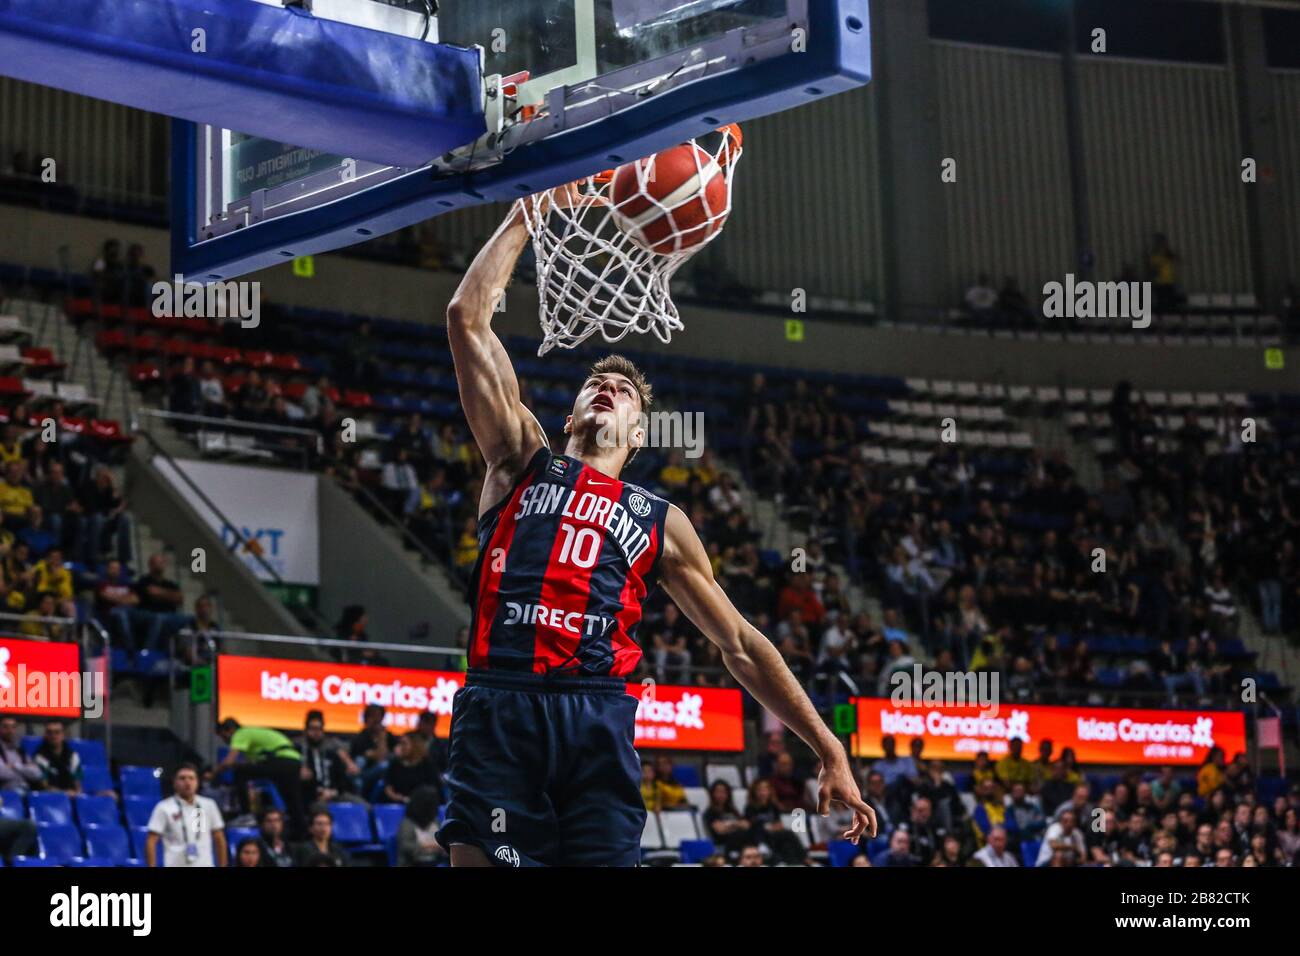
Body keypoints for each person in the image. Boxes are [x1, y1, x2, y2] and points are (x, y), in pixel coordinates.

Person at [436, 187, 873, 867]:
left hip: (596, 720)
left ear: (637, 434)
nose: (606, 388)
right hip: (502, 708)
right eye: (594, 384)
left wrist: (830, 746)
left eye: (625, 392)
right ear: (569, 414)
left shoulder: (660, 521)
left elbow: (741, 645)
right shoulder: (521, 459)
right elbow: (466, 316)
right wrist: (532, 210)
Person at [211, 718, 306, 838]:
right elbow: (253, 765)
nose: (225, 741)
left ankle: (246, 815)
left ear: (229, 731)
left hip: (279, 760)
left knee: (240, 773)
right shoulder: (254, 736)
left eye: (223, 736)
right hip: (293, 762)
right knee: (292, 801)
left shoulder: (240, 733)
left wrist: (213, 774)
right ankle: (301, 834)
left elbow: (228, 762)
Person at [145, 764, 226, 868]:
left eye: (191, 778)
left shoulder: (208, 805)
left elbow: (219, 838)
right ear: (174, 783)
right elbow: (151, 841)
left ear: (197, 782)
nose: (187, 782)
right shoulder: (164, 807)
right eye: (182, 778)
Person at [397, 784, 446, 866]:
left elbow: (444, 845)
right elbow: (406, 847)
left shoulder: (436, 822)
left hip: (435, 863)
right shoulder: (407, 823)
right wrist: (430, 846)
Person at [33, 720, 81, 795]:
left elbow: (77, 784)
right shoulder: (39, 757)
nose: (53, 736)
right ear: (46, 735)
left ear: (63, 735)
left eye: (57, 732)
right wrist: (65, 793)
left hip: (71, 798)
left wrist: (77, 794)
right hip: (50, 798)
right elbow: (44, 786)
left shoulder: (73, 756)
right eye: (50, 732)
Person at [0, 715, 44, 793]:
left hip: (26, 791)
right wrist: (25, 770)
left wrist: (15, 766)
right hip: (6, 793)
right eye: (6, 727)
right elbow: (2, 773)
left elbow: (37, 773)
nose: (10, 731)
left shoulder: (20, 750)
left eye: (13, 727)